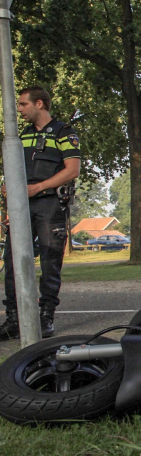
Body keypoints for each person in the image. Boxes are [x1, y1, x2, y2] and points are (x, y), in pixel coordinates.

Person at [0, 86, 81, 340]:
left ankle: (46, 317)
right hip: (22, 206)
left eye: (23, 105)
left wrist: (38, 187)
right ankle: (14, 319)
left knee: (49, 262)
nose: (19, 110)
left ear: (39, 104)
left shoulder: (64, 133)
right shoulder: (21, 136)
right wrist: (9, 191)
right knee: (13, 260)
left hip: (50, 204)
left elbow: (72, 170)